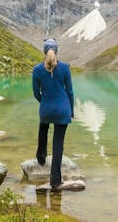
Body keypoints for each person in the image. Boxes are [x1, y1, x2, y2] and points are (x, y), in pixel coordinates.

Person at [32, 38, 74, 189]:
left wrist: (45, 102)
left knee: (43, 127)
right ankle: (55, 180)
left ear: (44, 52)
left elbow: (36, 93)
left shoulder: (37, 70)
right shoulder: (64, 68)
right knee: (58, 144)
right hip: (63, 109)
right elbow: (69, 92)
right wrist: (71, 111)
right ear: (56, 51)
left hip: (46, 109)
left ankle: (40, 155)